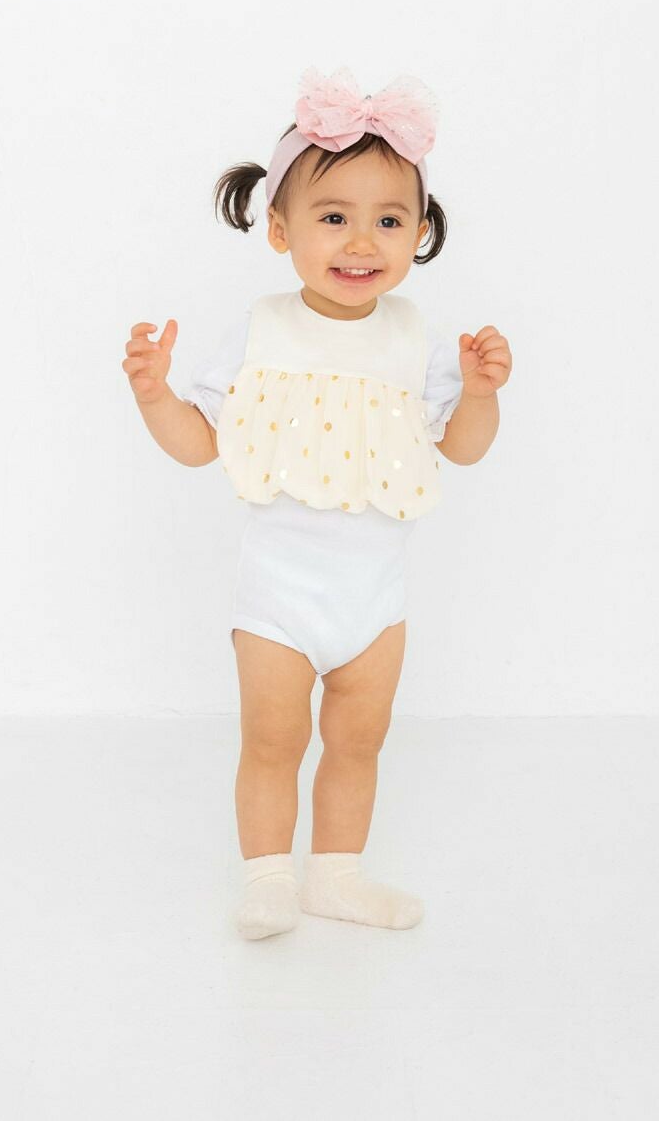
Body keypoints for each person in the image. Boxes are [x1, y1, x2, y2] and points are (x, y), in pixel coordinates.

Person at [122, 66, 513, 940]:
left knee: (358, 743)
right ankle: (268, 878)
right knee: (273, 742)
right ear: (279, 227)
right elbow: (201, 443)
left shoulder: (415, 340)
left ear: (421, 231)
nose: (361, 240)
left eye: (389, 220)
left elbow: (460, 448)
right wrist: (155, 396)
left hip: (375, 602)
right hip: (279, 597)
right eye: (333, 217)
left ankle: (336, 875)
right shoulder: (263, 330)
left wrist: (482, 394)